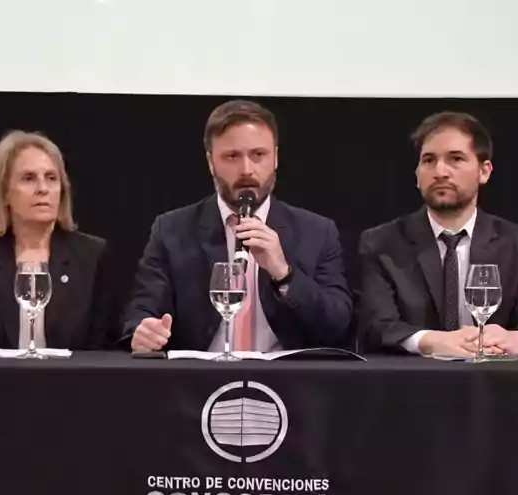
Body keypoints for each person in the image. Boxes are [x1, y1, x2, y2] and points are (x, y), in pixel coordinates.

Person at [122, 99, 352, 353]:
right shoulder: (171, 230)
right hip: (197, 381)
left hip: (288, 383)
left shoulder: (317, 232)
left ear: (275, 157)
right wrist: (143, 330)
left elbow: (338, 326)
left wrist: (284, 273)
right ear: (211, 162)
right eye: (232, 156)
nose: (246, 170)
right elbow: (143, 307)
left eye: (258, 155)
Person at [358, 111, 518, 357]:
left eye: (456, 159)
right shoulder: (382, 243)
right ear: (417, 176)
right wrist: (430, 341)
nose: (440, 171)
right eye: (429, 160)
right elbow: (375, 326)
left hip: (494, 385)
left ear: (484, 171)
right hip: (410, 384)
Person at [0, 131, 118, 350]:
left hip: (73, 382)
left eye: (51, 178)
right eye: (28, 178)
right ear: (5, 192)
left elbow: (103, 349)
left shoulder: (92, 256)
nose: (43, 189)